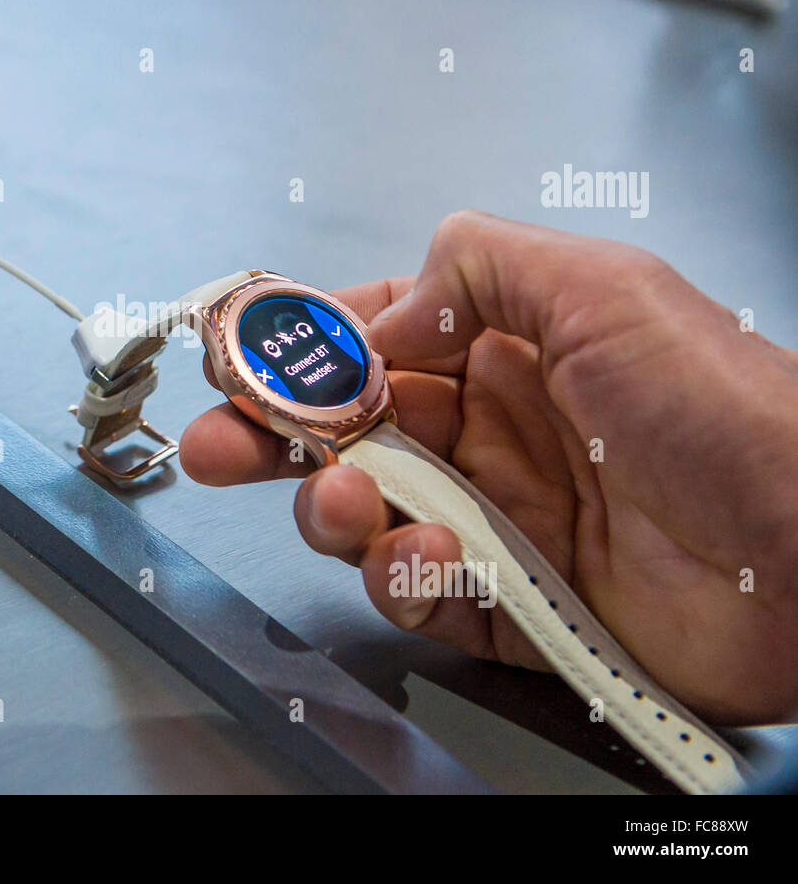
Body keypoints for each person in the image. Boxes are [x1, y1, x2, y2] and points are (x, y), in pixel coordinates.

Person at [179, 211, 798, 730]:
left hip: (365, 411)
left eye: (295, 332)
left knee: (352, 513)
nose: (291, 340)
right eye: (279, 345)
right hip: (349, 425)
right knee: (355, 513)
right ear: (246, 385)